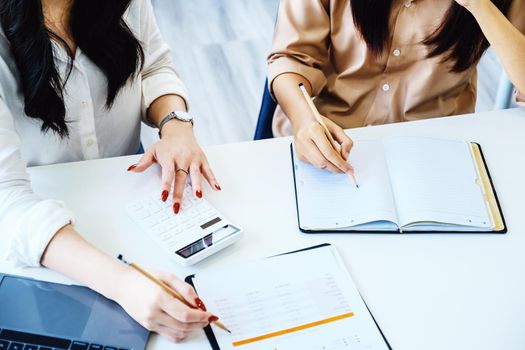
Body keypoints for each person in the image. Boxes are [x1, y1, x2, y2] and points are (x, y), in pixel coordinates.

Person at [0, 0, 221, 342]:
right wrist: (123, 283)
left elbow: (154, 66)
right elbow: (5, 200)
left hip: (132, 193)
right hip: (42, 234)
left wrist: (176, 126)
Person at [268, 0, 525, 173]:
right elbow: (292, 58)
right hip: (328, 141)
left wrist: (480, 6)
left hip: (432, 152)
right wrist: (303, 120)